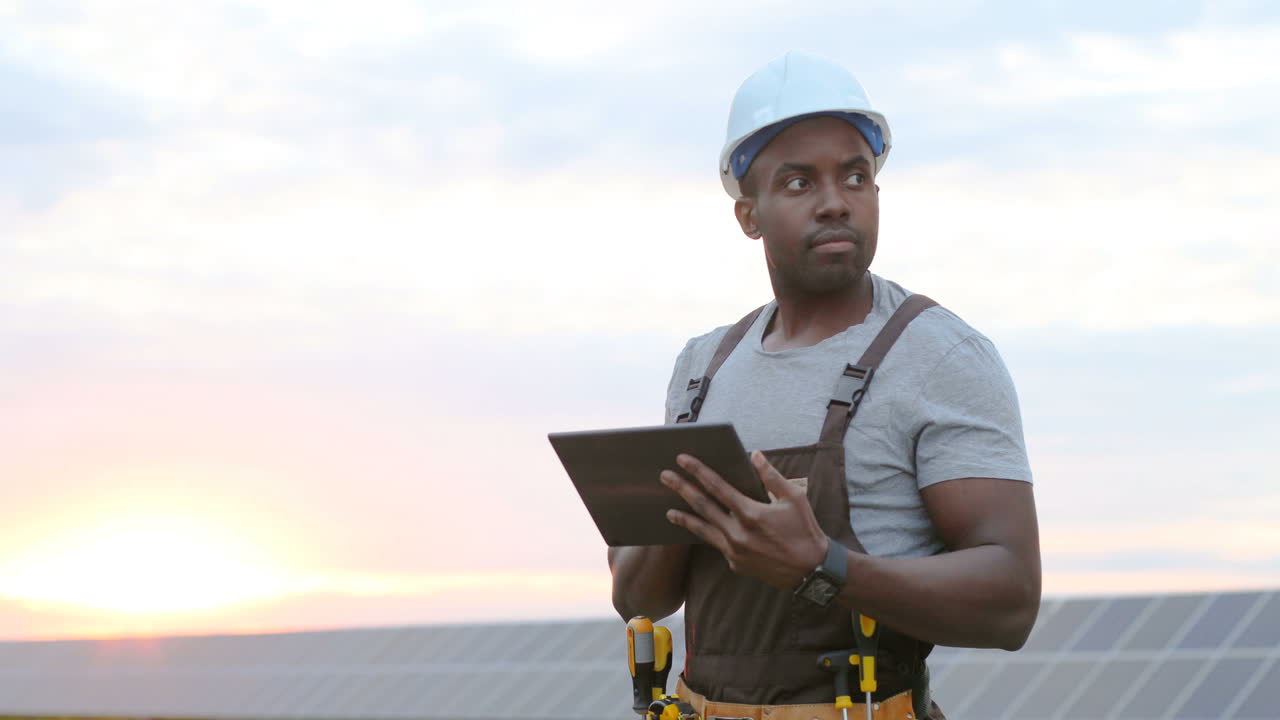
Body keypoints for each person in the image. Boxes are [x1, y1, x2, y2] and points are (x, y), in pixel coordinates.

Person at [608, 51, 1041, 720]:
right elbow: (639, 601)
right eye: (800, 183)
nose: (836, 201)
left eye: (856, 177)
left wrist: (823, 566)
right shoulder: (702, 369)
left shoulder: (942, 356)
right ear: (749, 214)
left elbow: (1011, 600)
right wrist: (673, 516)